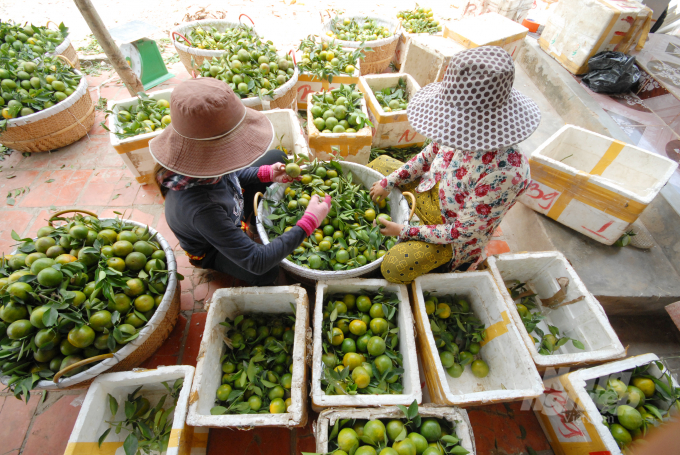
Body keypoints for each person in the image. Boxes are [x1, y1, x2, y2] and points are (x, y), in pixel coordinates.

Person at [369, 46, 541, 284]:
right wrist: (391, 182)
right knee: (379, 166)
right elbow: (428, 156)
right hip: (430, 190)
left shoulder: (506, 173)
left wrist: (405, 231)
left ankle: (437, 259)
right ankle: (408, 211)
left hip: (450, 233)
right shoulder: (455, 128)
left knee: (393, 268)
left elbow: (462, 231)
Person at [149, 78, 331, 285]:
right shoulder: (202, 209)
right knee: (267, 271)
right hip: (213, 248)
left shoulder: (204, 169)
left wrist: (268, 174)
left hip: (230, 208)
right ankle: (244, 240)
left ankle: (254, 224)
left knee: (275, 157)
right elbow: (257, 261)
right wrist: (308, 223)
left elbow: (232, 176)